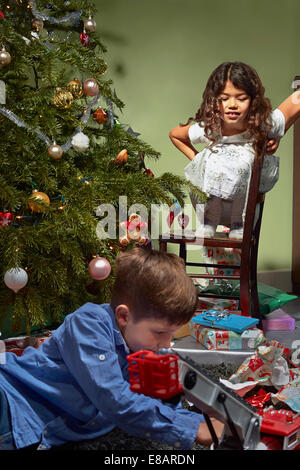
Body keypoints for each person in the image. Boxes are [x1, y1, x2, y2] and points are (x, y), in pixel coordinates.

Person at [0, 247, 223, 450]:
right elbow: (113, 397)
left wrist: (201, 420)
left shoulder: (139, 346)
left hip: (42, 427)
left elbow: (148, 405)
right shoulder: (88, 323)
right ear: (124, 316)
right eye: (160, 333)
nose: (166, 344)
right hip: (12, 400)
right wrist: (194, 429)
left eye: (171, 334)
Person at [169, 61, 300, 239]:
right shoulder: (211, 128)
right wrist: (198, 160)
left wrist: (275, 135)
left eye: (241, 98)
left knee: (244, 167)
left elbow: (294, 104)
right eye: (224, 99)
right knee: (212, 162)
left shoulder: (262, 124)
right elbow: (175, 134)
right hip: (211, 207)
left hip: (245, 210)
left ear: (253, 100)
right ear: (214, 101)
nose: (232, 104)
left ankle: (239, 223)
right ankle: (209, 221)